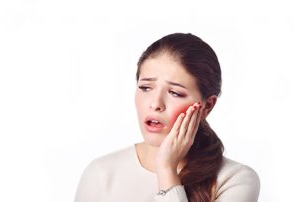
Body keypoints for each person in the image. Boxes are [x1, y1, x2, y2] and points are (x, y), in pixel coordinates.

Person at [74, 33, 260, 202]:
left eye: (175, 93)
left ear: (207, 106)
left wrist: (166, 170)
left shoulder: (236, 179)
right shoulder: (101, 173)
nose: (155, 104)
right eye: (146, 87)